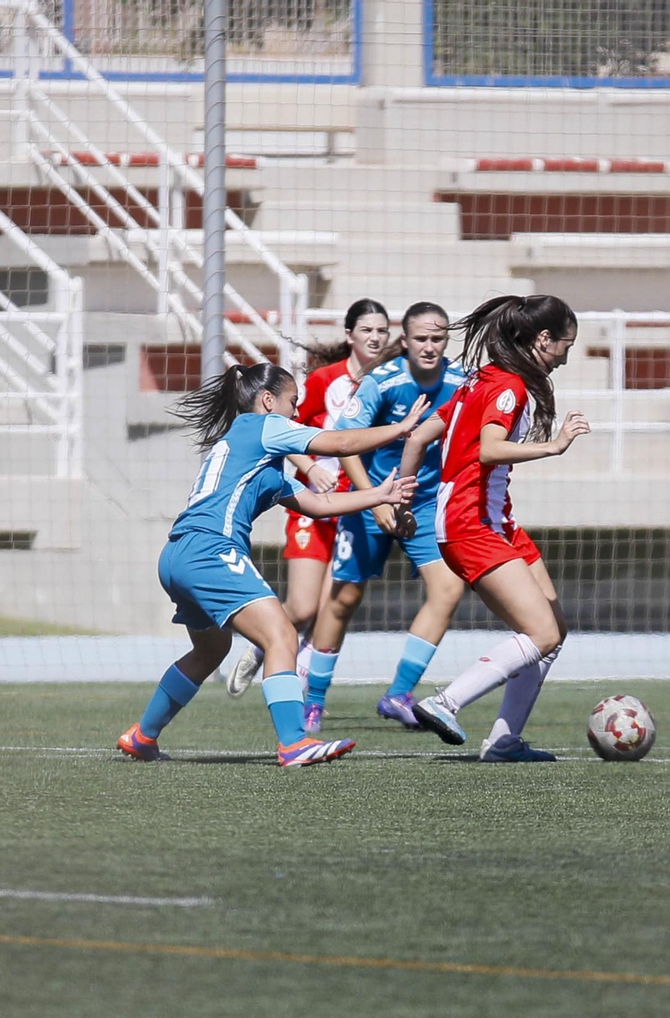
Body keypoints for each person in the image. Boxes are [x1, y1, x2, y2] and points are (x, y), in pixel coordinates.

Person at [116, 361, 426, 767]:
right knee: (281, 635)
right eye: (292, 403)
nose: (296, 413)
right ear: (267, 401)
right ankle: (294, 741)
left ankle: (142, 735)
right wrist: (398, 430)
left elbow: (319, 504)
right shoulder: (261, 427)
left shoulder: (253, 453)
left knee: (211, 651)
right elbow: (339, 443)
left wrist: (380, 495)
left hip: (178, 555)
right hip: (212, 551)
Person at [396, 294, 590, 761]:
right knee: (540, 634)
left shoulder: (478, 379)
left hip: (494, 520)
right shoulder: (507, 387)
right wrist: (553, 446)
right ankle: (445, 702)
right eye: (565, 344)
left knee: (552, 632)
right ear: (543, 339)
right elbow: (489, 449)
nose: (566, 356)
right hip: (471, 522)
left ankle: (504, 743)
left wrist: (403, 496)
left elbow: (420, 435)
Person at [300, 302, 467, 731]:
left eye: (438, 338)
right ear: (406, 342)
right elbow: (345, 443)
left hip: (425, 505)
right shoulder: (383, 381)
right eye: (422, 339)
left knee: (448, 589)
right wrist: (374, 500)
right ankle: (313, 701)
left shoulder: (461, 384)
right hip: (369, 499)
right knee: (343, 600)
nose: (430, 347)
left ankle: (399, 694)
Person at [224, 298, 392, 699]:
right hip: (313, 506)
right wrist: (310, 467)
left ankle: (306, 690)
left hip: (357, 508)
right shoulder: (323, 382)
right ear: (350, 335)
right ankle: (260, 644)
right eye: (367, 329)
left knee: (338, 606)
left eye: (382, 331)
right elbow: (279, 428)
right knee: (301, 608)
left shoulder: (387, 382)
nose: (375, 337)